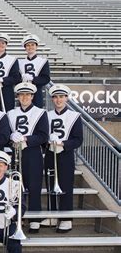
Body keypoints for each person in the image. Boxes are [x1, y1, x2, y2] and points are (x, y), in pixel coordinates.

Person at [7, 82, 48, 233]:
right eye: (21, 94)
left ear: (32, 96)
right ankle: (18, 218)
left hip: (33, 153)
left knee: (34, 186)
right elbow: (6, 135)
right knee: (16, 187)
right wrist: (11, 136)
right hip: (15, 154)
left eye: (27, 94)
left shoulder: (40, 112)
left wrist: (26, 139)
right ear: (17, 96)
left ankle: (35, 220)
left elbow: (44, 136)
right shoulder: (10, 113)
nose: (24, 97)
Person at [44, 84, 83, 233]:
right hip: (50, 153)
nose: (58, 100)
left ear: (66, 98)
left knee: (66, 186)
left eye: (61, 96)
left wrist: (63, 143)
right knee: (50, 184)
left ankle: (66, 219)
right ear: (52, 99)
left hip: (65, 154)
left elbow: (78, 139)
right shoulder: (47, 115)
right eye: (55, 97)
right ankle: (52, 215)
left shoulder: (74, 116)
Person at [18, 34, 51, 108]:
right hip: (23, 93)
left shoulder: (43, 61)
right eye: (28, 45)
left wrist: (33, 79)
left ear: (36, 46)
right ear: (25, 48)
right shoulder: (20, 62)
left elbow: (46, 79)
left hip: (37, 93)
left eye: (32, 45)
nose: (30, 47)